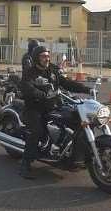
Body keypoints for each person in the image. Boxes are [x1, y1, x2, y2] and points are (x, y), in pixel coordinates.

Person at [19, 46, 93, 179]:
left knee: (76, 120)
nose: (46, 58)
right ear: (37, 58)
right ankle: (25, 164)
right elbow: (26, 86)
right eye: (43, 56)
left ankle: (73, 154)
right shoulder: (30, 72)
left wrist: (87, 89)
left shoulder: (53, 69)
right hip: (35, 108)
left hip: (53, 105)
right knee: (37, 131)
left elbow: (67, 83)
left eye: (47, 56)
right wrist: (40, 94)